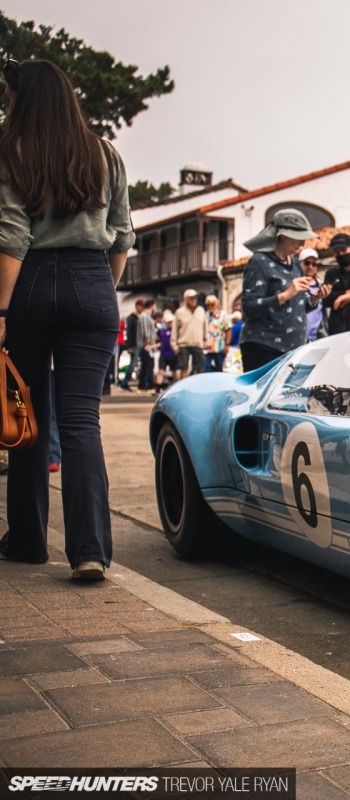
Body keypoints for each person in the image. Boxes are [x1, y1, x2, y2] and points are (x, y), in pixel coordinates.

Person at [0, 58, 135, 580]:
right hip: (92, 279)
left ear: (24, 97)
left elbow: (11, 235)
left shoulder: (12, 151)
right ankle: (89, 551)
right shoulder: (104, 152)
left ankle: (29, 542)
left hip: (30, 281)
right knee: (82, 422)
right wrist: (100, 289)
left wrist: (2, 309)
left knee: (27, 417)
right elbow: (122, 236)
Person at [239, 208, 330, 371]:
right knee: (267, 397)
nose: (302, 244)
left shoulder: (295, 264)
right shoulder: (259, 261)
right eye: (298, 239)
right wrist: (286, 294)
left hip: (293, 350)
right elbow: (248, 308)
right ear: (282, 236)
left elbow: (297, 305)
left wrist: (315, 298)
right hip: (264, 347)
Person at [172, 289, 206, 378]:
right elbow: (174, 330)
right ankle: (183, 388)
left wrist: (206, 340)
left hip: (197, 343)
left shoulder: (201, 310)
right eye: (191, 298)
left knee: (199, 367)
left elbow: (205, 326)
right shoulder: (179, 312)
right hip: (183, 344)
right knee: (184, 368)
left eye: (195, 298)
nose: (194, 300)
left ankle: (199, 387)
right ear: (185, 299)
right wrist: (174, 345)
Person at [299, 248, 325, 341]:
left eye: (314, 264)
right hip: (299, 336)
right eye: (307, 263)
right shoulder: (295, 285)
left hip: (316, 337)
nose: (310, 267)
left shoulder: (321, 284)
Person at [117, 297, 143, 391]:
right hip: (133, 345)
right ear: (137, 306)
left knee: (136, 365)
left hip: (139, 344)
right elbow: (129, 333)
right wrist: (128, 346)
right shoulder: (131, 318)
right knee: (132, 365)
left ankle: (127, 382)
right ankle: (124, 383)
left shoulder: (140, 318)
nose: (142, 309)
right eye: (141, 306)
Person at [204, 295, 230, 373]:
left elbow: (228, 329)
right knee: (206, 369)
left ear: (217, 305)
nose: (210, 307)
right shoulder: (205, 315)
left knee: (219, 369)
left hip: (219, 346)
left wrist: (227, 344)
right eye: (208, 305)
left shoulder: (223, 315)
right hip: (207, 348)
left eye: (212, 304)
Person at [154, 309, 177, 393]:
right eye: (167, 322)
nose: (169, 324)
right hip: (163, 354)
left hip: (172, 354)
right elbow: (160, 342)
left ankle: (177, 386)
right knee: (160, 371)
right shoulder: (162, 331)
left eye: (170, 322)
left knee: (174, 372)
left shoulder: (175, 332)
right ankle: (157, 388)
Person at [137, 298, 157, 391]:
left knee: (145, 366)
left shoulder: (146, 316)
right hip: (146, 346)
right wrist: (149, 345)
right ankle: (148, 385)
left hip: (147, 346)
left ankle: (143, 385)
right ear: (152, 305)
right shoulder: (145, 316)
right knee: (149, 366)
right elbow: (146, 331)